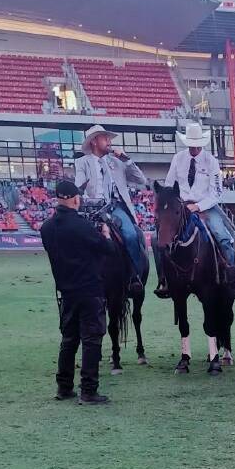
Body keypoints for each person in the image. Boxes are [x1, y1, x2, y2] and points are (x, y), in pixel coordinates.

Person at [39, 180, 114, 405]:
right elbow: (107, 249)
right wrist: (106, 233)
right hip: (90, 290)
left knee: (69, 339)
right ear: (74, 199)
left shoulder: (46, 228)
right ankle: (88, 391)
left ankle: (64, 387)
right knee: (92, 340)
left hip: (67, 291)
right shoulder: (81, 226)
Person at [153, 122, 235, 299]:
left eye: (195, 144)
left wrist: (198, 206)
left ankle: (230, 273)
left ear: (202, 143)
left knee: (223, 237)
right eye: (190, 144)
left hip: (206, 206)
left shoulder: (211, 162)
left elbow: (216, 193)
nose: (192, 148)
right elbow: (169, 185)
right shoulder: (178, 158)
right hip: (180, 206)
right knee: (158, 239)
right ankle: (164, 279)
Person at [73, 124, 150, 294]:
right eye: (105, 138)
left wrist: (126, 159)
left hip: (116, 207)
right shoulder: (82, 163)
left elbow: (141, 179)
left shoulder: (117, 162)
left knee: (131, 234)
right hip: (91, 208)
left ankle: (134, 277)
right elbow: (79, 187)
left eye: (109, 138)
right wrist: (87, 202)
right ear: (94, 141)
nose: (109, 141)